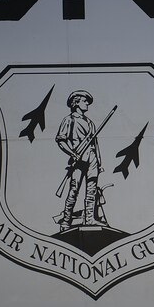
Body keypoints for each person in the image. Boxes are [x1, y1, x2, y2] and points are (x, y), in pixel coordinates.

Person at [55, 90, 103, 231]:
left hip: (92, 159)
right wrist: (72, 153)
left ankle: (89, 219)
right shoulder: (69, 120)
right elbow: (61, 140)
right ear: (76, 103)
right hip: (79, 159)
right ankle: (66, 221)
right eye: (84, 101)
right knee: (74, 190)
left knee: (92, 190)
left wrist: (99, 162)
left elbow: (95, 144)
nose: (87, 103)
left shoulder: (90, 123)